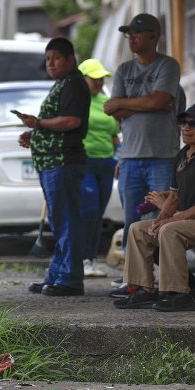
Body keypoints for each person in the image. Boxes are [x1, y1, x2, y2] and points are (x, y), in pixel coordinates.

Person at [113, 102, 195, 312]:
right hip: (188, 219)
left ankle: (178, 293)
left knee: (169, 230)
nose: (185, 128)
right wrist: (159, 220)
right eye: (183, 123)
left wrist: (172, 219)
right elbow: (174, 196)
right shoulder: (182, 155)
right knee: (138, 229)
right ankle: (143, 288)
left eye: (193, 124)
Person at [103, 13, 182, 297]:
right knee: (131, 221)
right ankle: (134, 279)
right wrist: (148, 103)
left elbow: (160, 100)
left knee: (163, 219)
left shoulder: (168, 65)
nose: (131, 39)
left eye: (136, 34)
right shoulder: (124, 69)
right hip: (130, 158)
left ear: (153, 36)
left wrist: (128, 104)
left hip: (162, 156)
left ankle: (168, 278)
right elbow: (110, 108)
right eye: (128, 34)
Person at [19, 37, 91, 296]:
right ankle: (57, 275)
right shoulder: (62, 84)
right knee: (60, 222)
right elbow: (56, 123)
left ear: (71, 60)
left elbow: (71, 121)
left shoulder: (74, 84)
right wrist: (35, 134)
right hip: (51, 163)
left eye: (56, 58)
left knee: (67, 221)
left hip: (63, 162)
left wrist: (38, 124)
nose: (50, 63)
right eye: (47, 58)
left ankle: (70, 279)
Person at [78, 58, 120, 278]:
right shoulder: (76, 102)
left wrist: (120, 157)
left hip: (106, 163)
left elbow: (114, 135)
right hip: (83, 162)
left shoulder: (107, 102)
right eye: (93, 78)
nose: (98, 82)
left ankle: (91, 260)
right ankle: (81, 258)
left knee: (98, 215)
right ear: (82, 78)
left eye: (101, 78)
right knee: (89, 211)